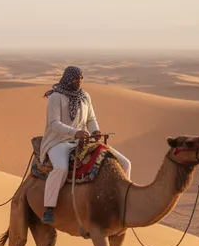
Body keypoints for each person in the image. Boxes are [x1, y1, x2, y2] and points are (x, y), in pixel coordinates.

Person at [40, 65, 132, 223]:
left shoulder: (85, 97)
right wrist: (75, 132)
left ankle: (123, 200)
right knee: (61, 168)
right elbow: (54, 123)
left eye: (81, 79)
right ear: (68, 79)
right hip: (58, 142)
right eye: (76, 79)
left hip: (82, 141)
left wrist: (95, 130)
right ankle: (49, 207)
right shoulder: (55, 97)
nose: (79, 82)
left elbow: (91, 119)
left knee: (124, 163)